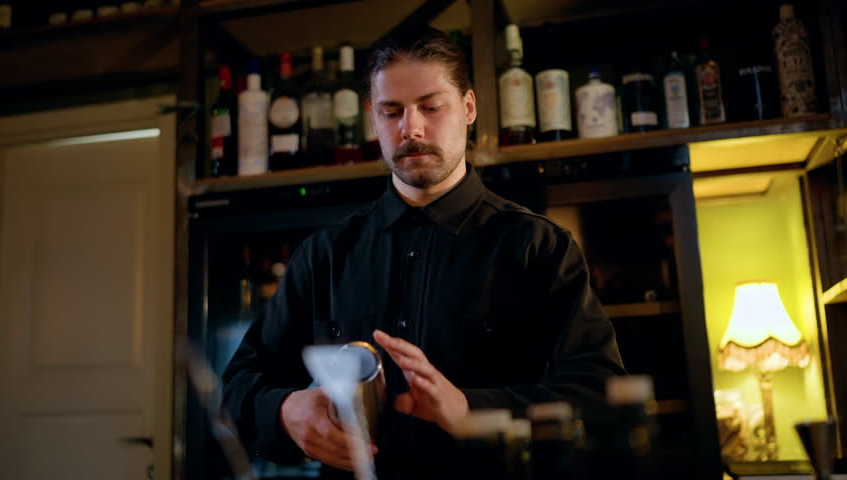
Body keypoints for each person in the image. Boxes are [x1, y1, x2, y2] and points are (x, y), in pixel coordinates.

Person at [222, 25, 625, 479]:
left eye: (431, 107)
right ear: (373, 117)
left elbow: (602, 395)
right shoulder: (324, 255)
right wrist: (285, 412)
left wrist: (471, 408)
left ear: (468, 108)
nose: (410, 128)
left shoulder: (539, 248)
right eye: (391, 111)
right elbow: (238, 387)